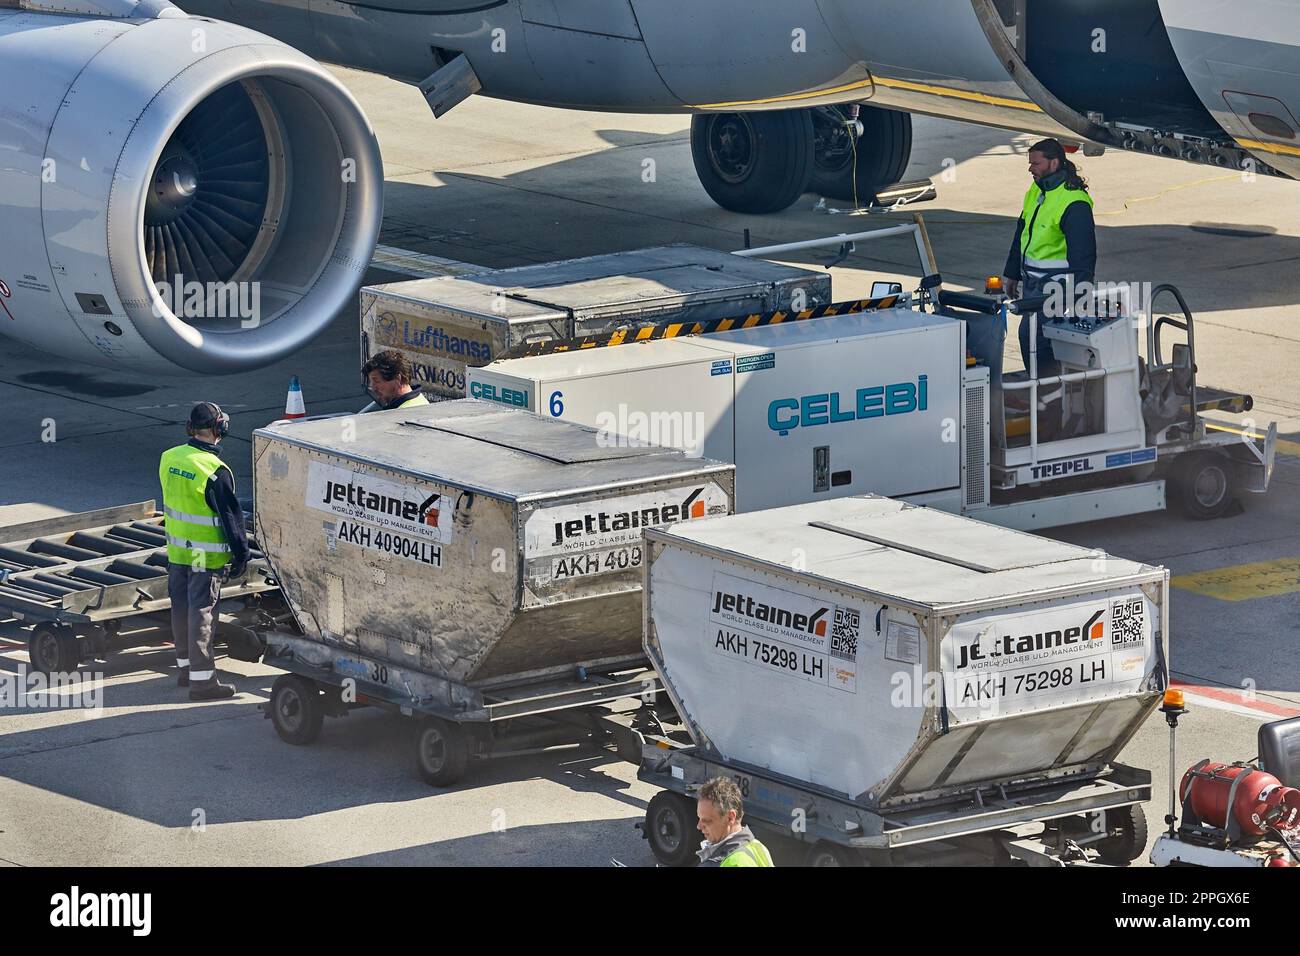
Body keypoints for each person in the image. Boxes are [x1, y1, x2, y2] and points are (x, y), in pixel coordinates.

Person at [159, 402, 249, 700]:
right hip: (205, 555)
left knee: (182, 610)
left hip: (178, 551)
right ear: (219, 428)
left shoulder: (169, 458)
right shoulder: (214, 471)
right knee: (202, 613)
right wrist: (241, 555)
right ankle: (203, 683)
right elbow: (231, 519)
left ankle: (186, 669)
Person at [1002, 138, 1096, 377]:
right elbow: (1021, 232)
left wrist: (1080, 295)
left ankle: (1047, 392)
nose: (1030, 168)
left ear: (1054, 163)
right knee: (1035, 339)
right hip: (1033, 283)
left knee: (1032, 337)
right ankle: (1045, 390)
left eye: (1035, 163)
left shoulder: (1074, 202)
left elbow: (1084, 256)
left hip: (1056, 286)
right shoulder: (1037, 190)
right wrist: (1012, 273)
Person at [695, 777, 775, 867]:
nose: (699, 826)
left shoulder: (734, 864)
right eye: (699, 818)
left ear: (730, 817)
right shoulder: (758, 847)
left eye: (707, 820)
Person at [361, 349, 430, 411]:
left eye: (377, 381)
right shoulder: (419, 400)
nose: (373, 388)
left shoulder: (401, 415)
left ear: (397, 378)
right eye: (371, 382)